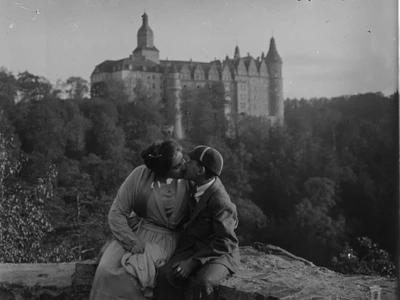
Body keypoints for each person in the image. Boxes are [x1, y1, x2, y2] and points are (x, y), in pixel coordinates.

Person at [90, 139, 190, 300]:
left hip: (168, 240)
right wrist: (131, 242)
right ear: (163, 171)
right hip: (137, 234)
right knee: (106, 270)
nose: (183, 166)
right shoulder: (140, 175)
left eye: (183, 160)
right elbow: (117, 212)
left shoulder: (189, 178)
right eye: (177, 166)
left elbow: (209, 197)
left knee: (133, 277)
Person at [154, 145, 240, 300]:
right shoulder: (195, 184)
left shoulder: (220, 201)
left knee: (203, 282)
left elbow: (225, 242)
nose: (185, 164)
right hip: (195, 247)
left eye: (190, 161)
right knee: (165, 273)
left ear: (200, 171)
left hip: (219, 253)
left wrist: (191, 263)